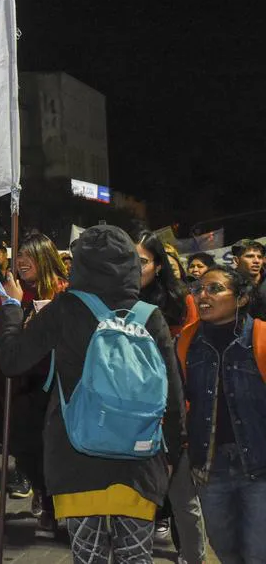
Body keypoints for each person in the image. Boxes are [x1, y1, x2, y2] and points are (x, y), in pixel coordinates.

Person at [0, 225, 185, 564]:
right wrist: (171, 455)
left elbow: (12, 361)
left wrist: (11, 305)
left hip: (76, 457)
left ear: (80, 263)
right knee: (136, 558)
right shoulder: (150, 317)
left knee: (89, 557)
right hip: (139, 462)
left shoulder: (65, 308)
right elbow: (172, 396)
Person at [180, 266, 266, 563]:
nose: (202, 296)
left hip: (259, 466)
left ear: (241, 298)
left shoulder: (261, 337)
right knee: (225, 549)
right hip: (209, 466)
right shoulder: (187, 342)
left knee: (258, 553)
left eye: (214, 289)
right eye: (198, 289)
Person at [0, 232, 68, 527]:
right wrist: (10, 309)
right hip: (18, 383)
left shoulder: (62, 292)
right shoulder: (11, 289)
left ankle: (51, 501)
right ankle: (43, 492)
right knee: (21, 446)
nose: (21, 261)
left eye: (28, 255)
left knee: (48, 448)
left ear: (44, 258)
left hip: (51, 384)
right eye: (18, 255)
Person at [135, 231, 206, 562]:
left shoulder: (182, 302)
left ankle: (192, 555)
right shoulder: (117, 299)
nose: (135, 268)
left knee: (183, 499)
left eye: (142, 261)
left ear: (159, 265)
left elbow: (188, 357)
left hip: (172, 406)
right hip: (132, 410)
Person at [232, 238, 266, 314]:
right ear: (236, 260)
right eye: (250, 256)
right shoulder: (229, 285)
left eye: (259, 257)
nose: (257, 261)